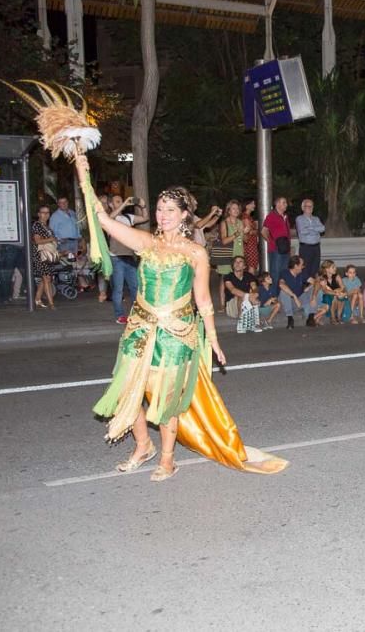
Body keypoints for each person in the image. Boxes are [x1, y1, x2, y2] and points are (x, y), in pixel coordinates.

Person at [92, 187, 287, 479]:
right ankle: (144, 445)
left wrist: (213, 339)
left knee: (166, 399)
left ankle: (168, 458)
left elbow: (204, 301)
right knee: (127, 392)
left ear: (184, 214)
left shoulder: (195, 252)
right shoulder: (147, 242)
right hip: (140, 330)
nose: (163, 215)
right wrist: (83, 173)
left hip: (175, 334)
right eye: (159, 209)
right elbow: (105, 222)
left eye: (170, 210)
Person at [108, 195, 148, 325]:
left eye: (121, 200)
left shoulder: (127, 218)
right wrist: (125, 203)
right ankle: (120, 315)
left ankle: (137, 314)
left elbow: (145, 218)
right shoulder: (109, 219)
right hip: (116, 257)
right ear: (110, 204)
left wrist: (142, 206)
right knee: (118, 289)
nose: (120, 202)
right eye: (117, 201)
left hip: (129, 256)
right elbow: (110, 218)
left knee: (135, 287)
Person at [215, 200, 244, 309]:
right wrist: (236, 234)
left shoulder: (240, 222)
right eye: (233, 208)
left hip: (238, 252)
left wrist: (246, 232)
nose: (236, 210)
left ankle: (235, 302)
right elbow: (224, 241)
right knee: (224, 278)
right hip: (226, 254)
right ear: (228, 210)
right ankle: (222, 304)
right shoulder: (224, 223)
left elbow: (243, 240)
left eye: (237, 208)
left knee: (237, 277)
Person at [277, 255, 317, 328]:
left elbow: (316, 282)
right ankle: (290, 318)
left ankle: (311, 317)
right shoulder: (285, 272)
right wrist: (294, 296)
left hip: (299, 301)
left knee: (313, 288)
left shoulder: (302, 273)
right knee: (284, 292)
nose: (303, 266)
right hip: (287, 303)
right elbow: (281, 285)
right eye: (302, 265)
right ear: (296, 266)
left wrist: (309, 288)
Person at [30, 205, 58, 309]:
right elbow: (37, 241)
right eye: (43, 212)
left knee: (46, 278)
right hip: (40, 254)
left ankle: (37, 299)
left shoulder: (47, 226)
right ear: (38, 214)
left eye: (47, 213)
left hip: (47, 255)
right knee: (46, 278)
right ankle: (51, 303)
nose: (45, 215)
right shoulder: (37, 225)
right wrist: (51, 239)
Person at [262, 197, 292, 282]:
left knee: (284, 273)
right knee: (275, 274)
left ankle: (281, 294)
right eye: (284, 202)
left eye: (285, 203)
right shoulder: (271, 216)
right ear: (277, 204)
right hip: (276, 250)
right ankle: (274, 294)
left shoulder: (285, 217)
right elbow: (263, 231)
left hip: (285, 249)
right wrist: (272, 242)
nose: (286, 204)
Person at [296, 198, 325, 281]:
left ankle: (313, 288)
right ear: (302, 208)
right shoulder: (299, 218)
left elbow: (322, 228)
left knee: (315, 269)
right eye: (307, 206)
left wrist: (310, 228)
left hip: (316, 247)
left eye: (311, 206)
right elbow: (303, 231)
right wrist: (316, 229)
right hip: (306, 248)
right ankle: (305, 288)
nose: (309, 208)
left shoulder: (316, 218)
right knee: (305, 269)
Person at [318, 260, 348, 324]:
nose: (335, 268)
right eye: (333, 267)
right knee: (335, 297)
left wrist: (339, 291)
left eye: (335, 267)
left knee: (342, 297)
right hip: (326, 295)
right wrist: (336, 293)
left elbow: (343, 287)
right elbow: (325, 290)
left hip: (337, 293)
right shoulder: (322, 277)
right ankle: (333, 317)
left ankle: (339, 316)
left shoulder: (336, 276)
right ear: (327, 269)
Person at [241, 199, 260, 275]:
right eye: (252, 204)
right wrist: (258, 231)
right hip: (249, 244)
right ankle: (251, 285)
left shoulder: (248, 216)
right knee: (251, 266)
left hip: (251, 243)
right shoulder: (245, 217)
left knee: (251, 265)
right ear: (247, 206)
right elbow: (249, 231)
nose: (254, 205)